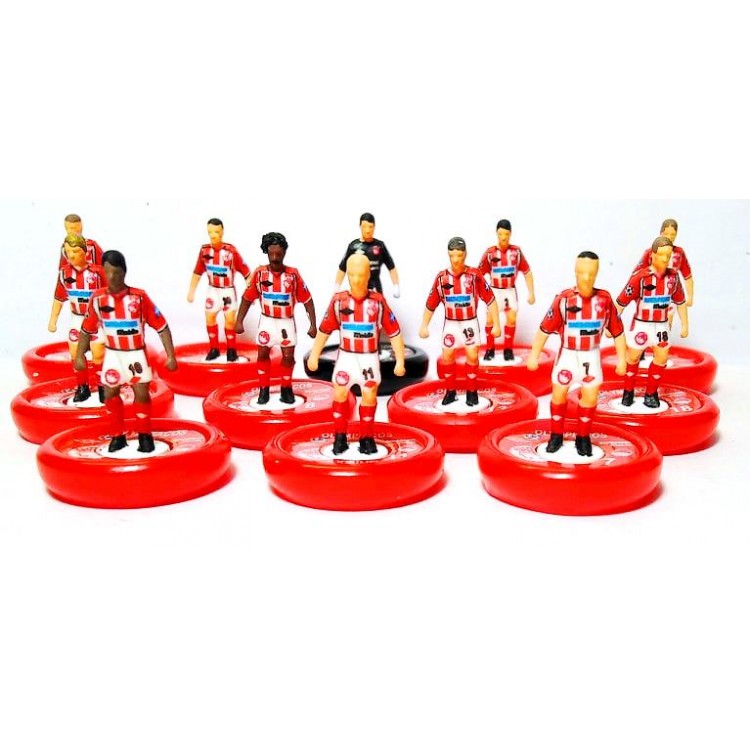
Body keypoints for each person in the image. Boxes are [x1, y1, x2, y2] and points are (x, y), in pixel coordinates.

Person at [75, 250, 177, 453]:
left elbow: (162, 326)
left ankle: (145, 435)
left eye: (116, 272)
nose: (112, 277)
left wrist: (171, 355)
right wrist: (79, 355)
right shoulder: (98, 299)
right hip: (112, 354)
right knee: (110, 393)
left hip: (135, 354)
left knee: (141, 393)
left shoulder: (139, 298)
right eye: (107, 272)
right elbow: (86, 328)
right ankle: (117, 435)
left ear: (124, 272)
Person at [528, 251, 626, 457]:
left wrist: (622, 359)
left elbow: (617, 331)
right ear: (575, 272)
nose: (586, 278)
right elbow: (544, 329)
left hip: (591, 356)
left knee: (590, 397)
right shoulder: (564, 300)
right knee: (559, 394)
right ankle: (556, 435)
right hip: (568, 355)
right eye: (582, 272)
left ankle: (583, 437)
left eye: (591, 273)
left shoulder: (604, 300)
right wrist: (534, 355)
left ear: (597, 273)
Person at [308, 254, 405, 455]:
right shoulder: (339, 302)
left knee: (369, 395)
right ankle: (340, 437)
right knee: (340, 393)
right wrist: (314, 355)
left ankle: (366, 438)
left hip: (369, 358)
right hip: (346, 357)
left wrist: (400, 361)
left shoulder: (377, 303)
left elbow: (394, 332)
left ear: (369, 275)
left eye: (361, 275)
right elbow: (325, 330)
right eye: (352, 275)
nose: (357, 280)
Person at [235, 232, 317, 404]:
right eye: (271, 254)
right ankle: (263, 389)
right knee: (263, 353)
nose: (275, 258)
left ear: (284, 252)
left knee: (288, 356)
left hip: (286, 322)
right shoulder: (259, 274)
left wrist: (313, 324)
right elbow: (247, 298)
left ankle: (286, 389)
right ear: (266, 252)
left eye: (278, 254)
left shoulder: (293, 275)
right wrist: (239, 320)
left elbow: (307, 300)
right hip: (267, 321)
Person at [420, 237, 500, 406]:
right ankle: (450, 392)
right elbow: (431, 303)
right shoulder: (442, 278)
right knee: (447, 355)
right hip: (451, 323)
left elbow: (490, 299)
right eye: (452, 256)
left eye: (459, 256)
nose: (456, 260)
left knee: (472, 355)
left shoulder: (474, 275)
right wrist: (424, 326)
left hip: (469, 323)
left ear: (465, 255)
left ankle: (472, 392)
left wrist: (497, 324)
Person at [617, 236, 689, 408]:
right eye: (662, 255)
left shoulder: (673, 277)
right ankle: (628, 392)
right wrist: (611, 326)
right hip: (641, 325)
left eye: (668, 255)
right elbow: (621, 302)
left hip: (661, 326)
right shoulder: (640, 277)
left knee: (661, 358)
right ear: (653, 255)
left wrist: (685, 324)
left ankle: (651, 393)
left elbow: (680, 301)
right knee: (633, 357)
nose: (665, 259)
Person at [48, 234, 108, 401]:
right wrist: (53, 320)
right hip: (77, 319)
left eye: (75, 251)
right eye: (68, 252)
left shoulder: (98, 273)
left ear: (85, 251)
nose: (71, 256)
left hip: (96, 320)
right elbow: (59, 298)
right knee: (76, 354)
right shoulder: (64, 273)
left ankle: (103, 388)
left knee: (98, 353)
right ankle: (83, 388)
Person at [187, 218, 251, 361]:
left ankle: (231, 351)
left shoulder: (231, 251)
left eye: (216, 232)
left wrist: (251, 293)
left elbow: (246, 272)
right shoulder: (205, 251)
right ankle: (214, 349)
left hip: (228, 291)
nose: (213, 235)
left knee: (230, 320)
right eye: (210, 232)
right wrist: (191, 291)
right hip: (213, 291)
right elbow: (197, 272)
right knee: (210, 317)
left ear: (222, 232)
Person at [477, 219, 535, 360]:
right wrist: (479, 293)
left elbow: (527, 272)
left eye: (506, 234)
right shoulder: (490, 253)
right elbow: (479, 275)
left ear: (510, 234)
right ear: (496, 234)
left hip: (509, 291)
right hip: (495, 291)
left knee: (511, 318)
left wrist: (531, 293)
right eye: (501, 234)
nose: (503, 237)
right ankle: (490, 349)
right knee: (490, 320)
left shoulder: (516, 252)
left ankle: (508, 349)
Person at [632, 218, 693, 325]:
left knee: (667, 318)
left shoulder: (679, 253)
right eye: (666, 234)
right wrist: (635, 294)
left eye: (673, 234)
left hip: (670, 292)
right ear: (661, 233)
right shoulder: (651, 252)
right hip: (651, 293)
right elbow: (636, 274)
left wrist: (690, 296)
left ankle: (666, 333)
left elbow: (687, 276)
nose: (669, 237)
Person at [333, 213, 400, 297]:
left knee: (377, 304)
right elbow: (342, 268)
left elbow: (391, 267)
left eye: (370, 226)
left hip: (375, 287)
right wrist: (337, 286)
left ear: (374, 227)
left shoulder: (380, 246)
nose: (367, 230)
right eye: (364, 226)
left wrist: (396, 285)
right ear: (360, 226)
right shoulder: (353, 246)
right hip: (357, 288)